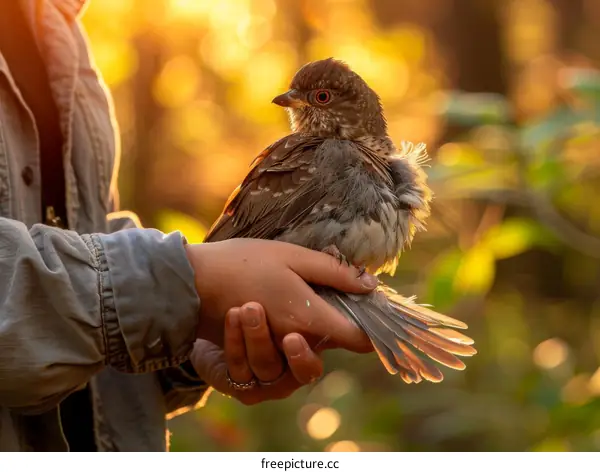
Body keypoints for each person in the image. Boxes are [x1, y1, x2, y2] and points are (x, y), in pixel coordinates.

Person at [0, 0, 377, 452]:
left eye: (316, 99)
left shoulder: (60, 28)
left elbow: (86, 244)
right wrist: (189, 283)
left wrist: (188, 344)